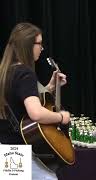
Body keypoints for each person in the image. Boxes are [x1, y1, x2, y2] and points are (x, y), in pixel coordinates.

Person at [0, 22, 71, 180]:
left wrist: (50, 87)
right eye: (39, 43)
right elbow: (36, 113)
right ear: (27, 45)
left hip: (6, 146)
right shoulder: (25, 73)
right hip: (22, 149)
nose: (42, 48)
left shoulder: (6, 72)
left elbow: (20, 101)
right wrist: (62, 117)